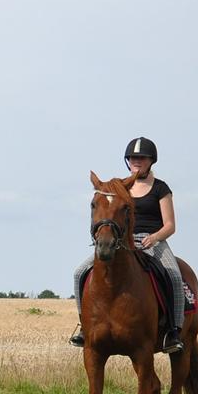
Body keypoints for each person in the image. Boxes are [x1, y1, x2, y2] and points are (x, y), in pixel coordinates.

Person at [70, 136, 184, 353]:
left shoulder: (160, 188)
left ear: (151, 161)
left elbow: (170, 225)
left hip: (153, 240)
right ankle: (85, 327)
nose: (136, 161)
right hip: (122, 241)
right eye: (133, 158)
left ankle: (173, 330)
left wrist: (155, 237)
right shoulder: (121, 187)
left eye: (142, 158)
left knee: (174, 275)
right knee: (79, 272)